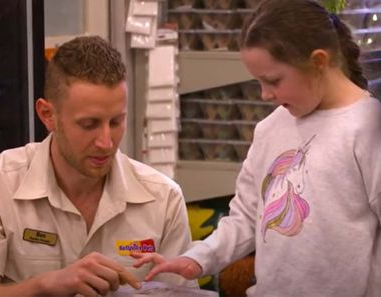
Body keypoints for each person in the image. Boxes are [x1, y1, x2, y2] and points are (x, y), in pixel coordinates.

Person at [132, 0, 381, 296]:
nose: (264, 95)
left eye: (273, 80)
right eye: (259, 82)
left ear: (318, 62)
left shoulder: (367, 128)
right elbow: (246, 217)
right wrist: (197, 258)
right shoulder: (271, 128)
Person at [0, 36, 196, 296]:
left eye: (117, 122)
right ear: (47, 115)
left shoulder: (164, 200)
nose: (106, 142)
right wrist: (45, 286)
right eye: (89, 124)